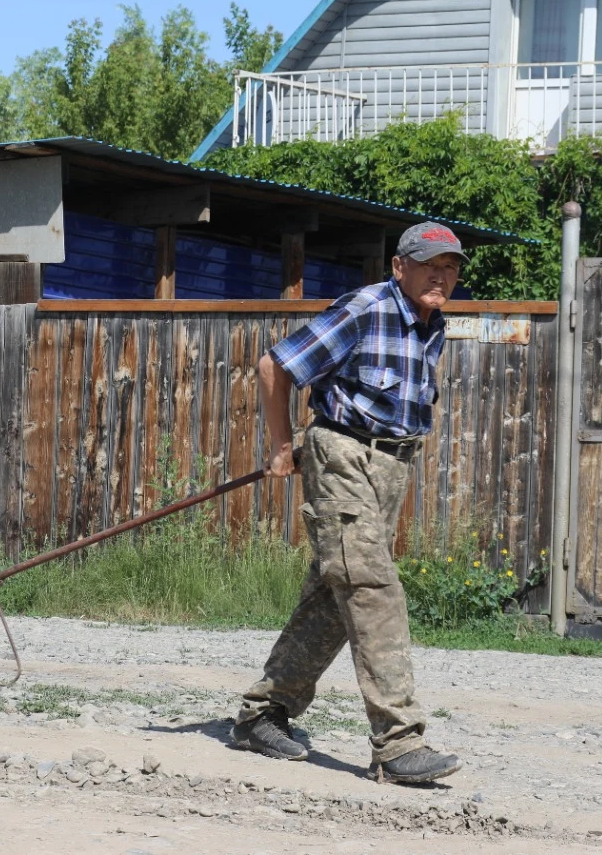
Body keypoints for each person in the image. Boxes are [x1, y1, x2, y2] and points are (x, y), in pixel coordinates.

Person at [230, 221, 466, 784]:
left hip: (391, 465)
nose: (441, 275)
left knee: (337, 592)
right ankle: (398, 742)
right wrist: (284, 446)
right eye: (429, 263)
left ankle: (266, 712)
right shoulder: (364, 308)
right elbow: (275, 366)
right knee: (370, 586)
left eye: (451, 266)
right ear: (398, 267)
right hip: (342, 456)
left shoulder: (431, 322)